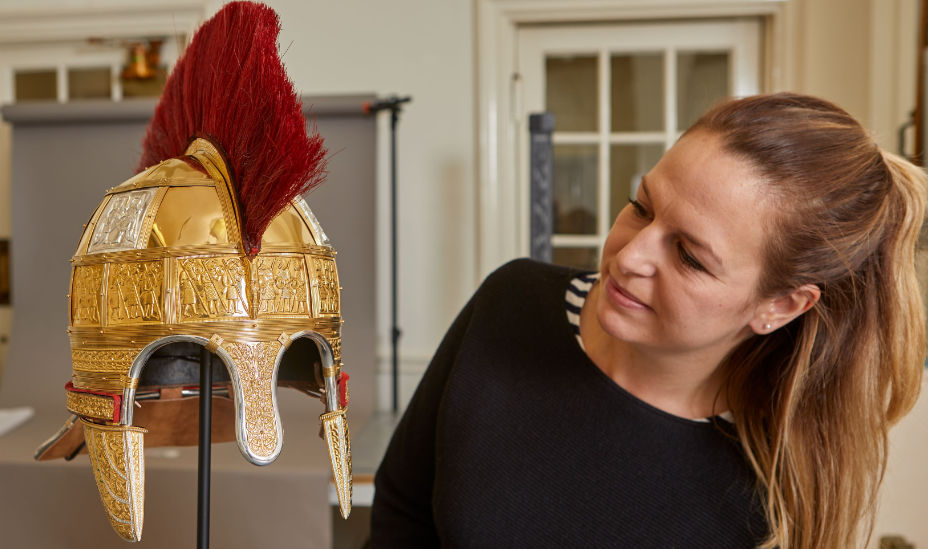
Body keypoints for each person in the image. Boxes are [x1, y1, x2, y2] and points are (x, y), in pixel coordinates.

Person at [370, 93, 928, 549]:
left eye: (688, 256)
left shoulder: (773, 491)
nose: (629, 256)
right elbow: (401, 513)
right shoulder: (511, 302)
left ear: (778, 306)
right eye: (641, 206)